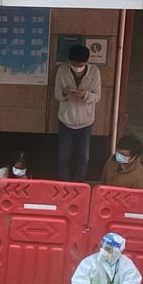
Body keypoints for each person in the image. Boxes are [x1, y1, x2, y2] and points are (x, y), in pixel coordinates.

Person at [54, 44, 101, 182]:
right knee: (63, 156)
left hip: (86, 122)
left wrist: (85, 95)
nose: (77, 66)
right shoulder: (62, 70)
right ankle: (64, 183)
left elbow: (97, 97)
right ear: (70, 61)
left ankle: (79, 184)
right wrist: (64, 93)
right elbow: (56, 94)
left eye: (80, 64)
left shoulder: (94, 72)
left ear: (86, 62)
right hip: (65, 120)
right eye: (74, 64)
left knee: (84, 157)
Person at [70, 232, 142, 284]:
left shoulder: (126, 264)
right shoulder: (90, 262)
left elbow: (132, 282)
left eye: (108, 249)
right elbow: (80, 280)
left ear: (116, 251)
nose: (103, 251)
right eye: (102, 247)